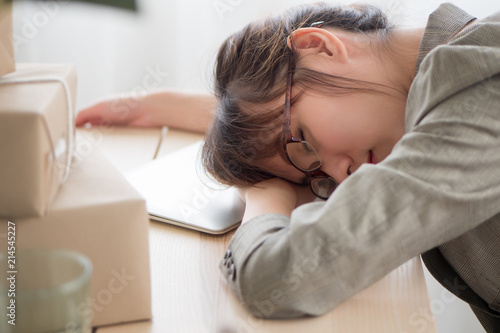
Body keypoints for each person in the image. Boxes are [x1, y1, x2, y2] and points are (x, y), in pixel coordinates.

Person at [76, 2, 500, 332]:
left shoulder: (479, 88)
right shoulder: (461, 70)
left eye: (302, 144)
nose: (338, 177)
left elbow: (280, 279)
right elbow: (308, 105)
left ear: (319, 45)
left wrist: (267, 200)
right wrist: (195, 109)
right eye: (314, 177)